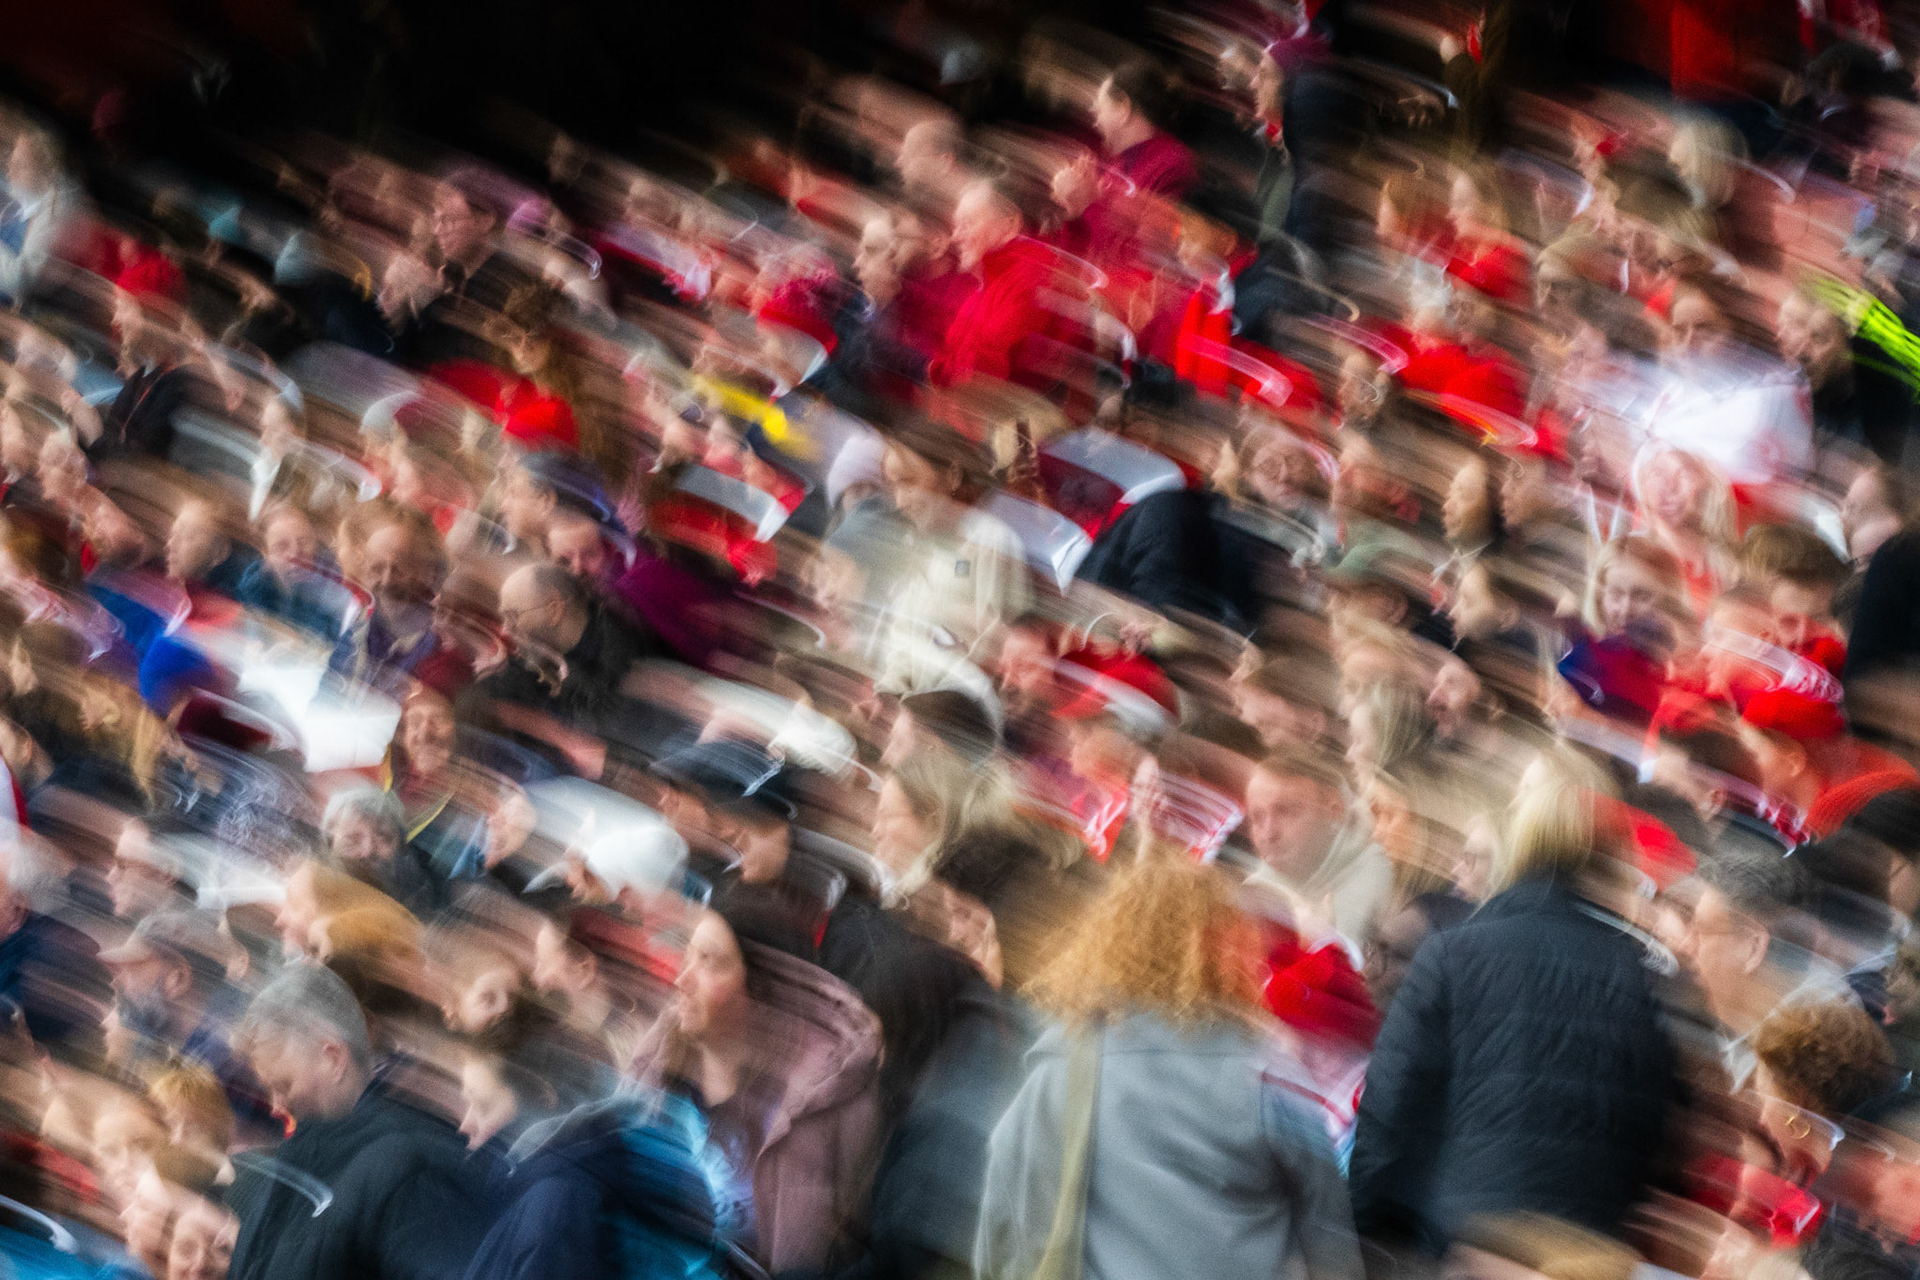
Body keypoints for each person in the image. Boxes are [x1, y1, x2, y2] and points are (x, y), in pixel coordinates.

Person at [1348, 751, 1678, 1251]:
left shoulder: (1455, 952)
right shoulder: (1635, 973)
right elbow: (1647, 1128)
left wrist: (1366, 1224)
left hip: (1463, 1243)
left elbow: (1391, 1105)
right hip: (1578, 1249)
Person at [976, 857, 1362, 1280]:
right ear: (1229, 949)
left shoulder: (1059, 1072)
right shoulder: (1270, 1075)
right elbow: (1329, 1237)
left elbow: (1003, 1226)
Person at [632, 908, 882, 1274]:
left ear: (765, 988)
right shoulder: (654, 1077)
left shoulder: (826, 1102)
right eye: (687, 957)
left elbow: (850, 1248)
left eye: (709, 962)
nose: (681, 979)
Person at [227, 962, 488, 1280]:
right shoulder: (293, 1170)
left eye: (283, 1085)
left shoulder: (414, 1166)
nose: (276, 1107)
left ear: (333, 1058)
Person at [1244, 747, 1392, 944]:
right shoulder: (1251, 897)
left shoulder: (1383, 879)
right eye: (1257, 818)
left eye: (1286, 811)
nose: (1269, 834)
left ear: (1335, 812)